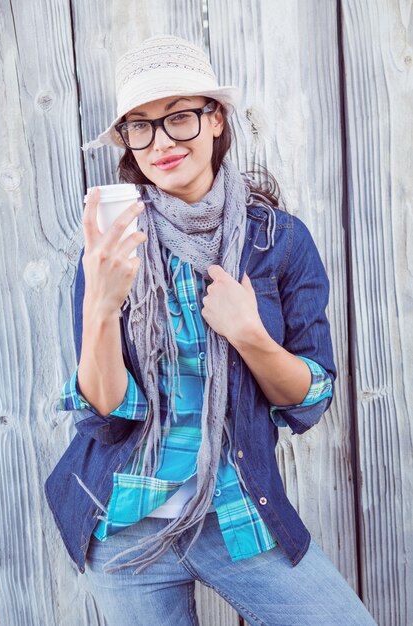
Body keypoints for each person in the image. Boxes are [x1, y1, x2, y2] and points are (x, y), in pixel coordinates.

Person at [45, 35, 377, 626]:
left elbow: (310, 398)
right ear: (127, 140)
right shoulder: (114, 246)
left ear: (215, 117)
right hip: (123, 524)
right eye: (139, 127)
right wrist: (100, 303)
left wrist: (250, 335)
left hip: (236, 511)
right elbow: (101, 416)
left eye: (179, 117)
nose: (162, 142)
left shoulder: (279, 239)